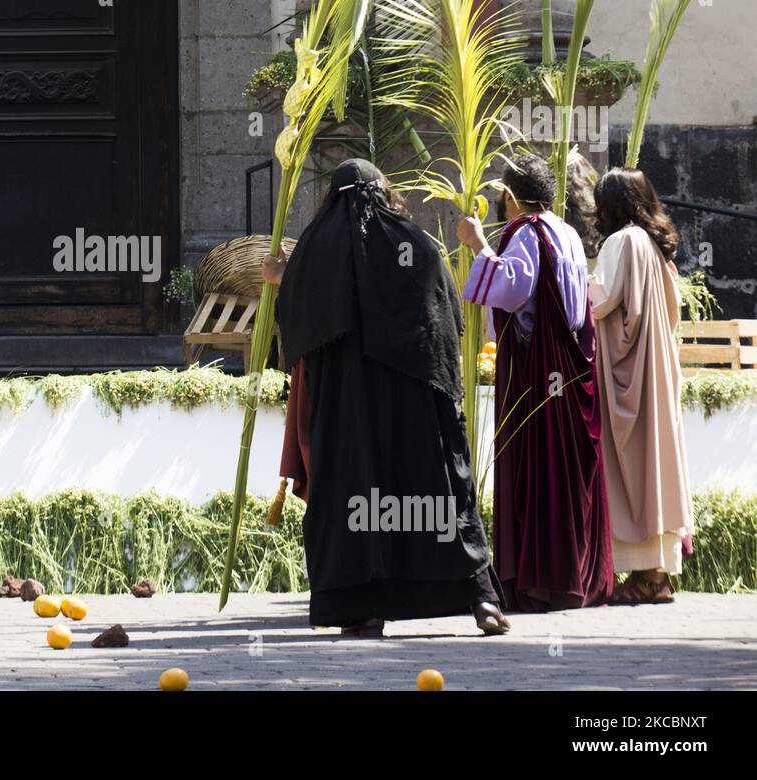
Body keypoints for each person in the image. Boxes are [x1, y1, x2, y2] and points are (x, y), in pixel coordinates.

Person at [263, 158, 508, 637]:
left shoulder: (315, 254)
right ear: (386, 194)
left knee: (355, 500)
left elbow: (303, 309)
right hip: (415, 411)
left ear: (332, 199)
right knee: (437, 496)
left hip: (347, 415)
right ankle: (480, 599)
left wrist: (282, 278)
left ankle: (362, 609)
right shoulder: (415, 244)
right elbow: (446, 318)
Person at [457, 151, 614, 611]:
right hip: (574, 369)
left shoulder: (525, 233)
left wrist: (477, 245)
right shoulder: (565, 231)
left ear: (509, 196)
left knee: (540, 470)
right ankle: (576, 576)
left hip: (537, 371)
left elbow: (511, 289)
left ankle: (540, 581)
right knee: (568, 475)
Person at [590, 168, 692, 604]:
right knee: (658, 464)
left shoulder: (622, 242)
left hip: (631, 373)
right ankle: (657, 575)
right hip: (657, 371)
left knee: (634, 467)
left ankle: (646, 577)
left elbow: (599, 299)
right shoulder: (655, 247)